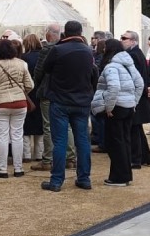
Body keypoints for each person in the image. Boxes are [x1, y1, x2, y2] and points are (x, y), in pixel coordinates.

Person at [40, 20, 99, 192]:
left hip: (60, 100)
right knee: (82, 141)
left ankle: (57, 180)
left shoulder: (57, 50)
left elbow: (46, 68)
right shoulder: (88, 51)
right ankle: (84, 178)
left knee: (59, 141)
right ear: (81, 33)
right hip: (82, 101)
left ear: (65, 33)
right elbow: (93, 73)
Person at [92, 39, 143, 186]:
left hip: (116, 108)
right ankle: (125, 175)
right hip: (128, 106)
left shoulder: (111, 67)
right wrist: (134, 102)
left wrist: (109, 107)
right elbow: (139, 84)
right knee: (125, 141)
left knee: (115, 143)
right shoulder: (129, 65)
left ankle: (118, 177)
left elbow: (114, 87)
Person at [0, 39, 34, 178]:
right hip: (20, 102)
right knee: (17, 136)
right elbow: (30, 85)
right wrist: (21, 93)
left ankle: (3, 168)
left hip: (0, 103)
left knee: (2, 137)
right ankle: (18, 168)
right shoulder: (22, 64)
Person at [31, 23, 76, 172]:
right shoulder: (68, 49)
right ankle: (70, 158)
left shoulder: (48, 49)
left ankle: (48, 160)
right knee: (67, 125)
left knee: (48, 126)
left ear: (49, 34)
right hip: (65, 92)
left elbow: (39, 72)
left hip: (48, 92)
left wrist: (39, 85)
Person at [120, 31, 150, 169]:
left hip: (136, 96)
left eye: (124, 38)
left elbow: (135, 78)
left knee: (133, 128)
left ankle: (136, 159)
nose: (121, 40)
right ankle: (145, 157)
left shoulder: (133, 55)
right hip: (139, 95)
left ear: (133, 41)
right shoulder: (137, 53)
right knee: (137, 128)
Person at [20, 33, 44, 162]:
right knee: (40, 125)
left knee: (26, 125)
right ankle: (39, 154)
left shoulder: (24, 58)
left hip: (27, 93)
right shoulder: (44, 55)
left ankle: (27, 154)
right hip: (41, 93)